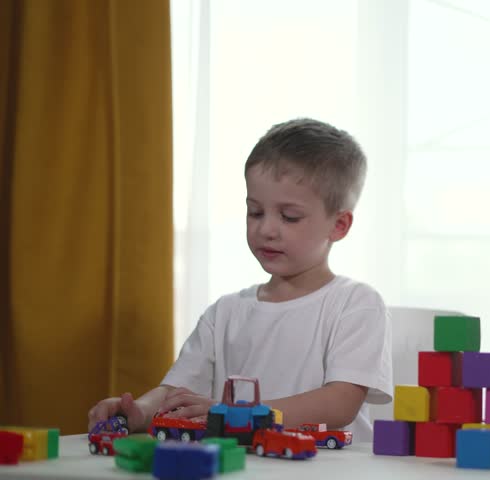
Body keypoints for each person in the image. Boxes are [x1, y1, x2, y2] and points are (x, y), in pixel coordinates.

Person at [88, 118, 393, 442]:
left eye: (289, 216)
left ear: (340, 225)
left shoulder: (356, 304)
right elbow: (177, 392)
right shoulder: (225, 313)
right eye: (255, 212)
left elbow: (339, 404)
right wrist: (141, 411)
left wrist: (233, 414)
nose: (266, 229)